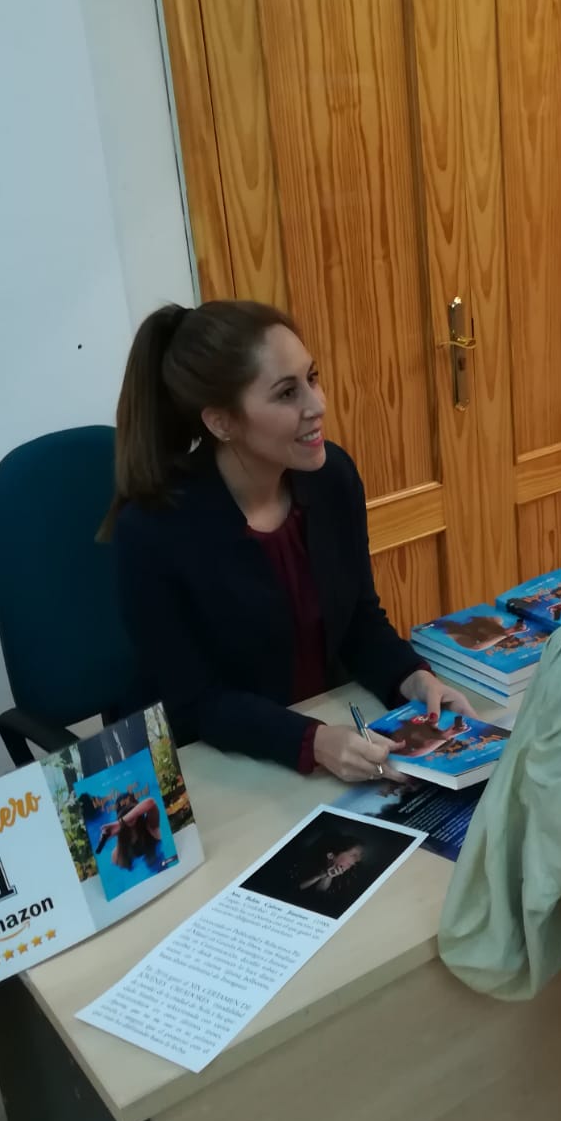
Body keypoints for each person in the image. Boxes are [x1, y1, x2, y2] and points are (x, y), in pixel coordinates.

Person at [104, 301, 468, 781]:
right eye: (287, 393)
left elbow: (359, 622)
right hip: (216, 767)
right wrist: (313, 742)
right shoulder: (153, 531)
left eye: (312, 378)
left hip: (322, 736)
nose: (317, 406)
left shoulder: (332, 477)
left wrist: (413, 679)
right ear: (221, 422)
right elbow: (194, 702)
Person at [94, 790, 167, 874]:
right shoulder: (117, 853)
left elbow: (151, 802)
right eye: (125, 813)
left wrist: (121, 822)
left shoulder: (151, 827)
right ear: (120, 817)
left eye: (131, 812)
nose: (130, 817)